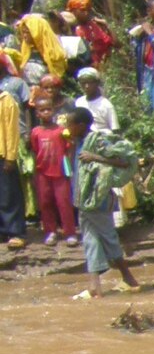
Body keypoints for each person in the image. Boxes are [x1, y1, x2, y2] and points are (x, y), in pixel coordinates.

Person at [72, 108, 140, 297]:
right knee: (90, 241)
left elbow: (123, 162)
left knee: (108, 239)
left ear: (81, 126)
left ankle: (128, 278)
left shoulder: (98, 141)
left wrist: (96, 157)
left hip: (98, 200)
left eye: (71, 125)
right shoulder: (79, 141)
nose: (68, 128)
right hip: (85, 202)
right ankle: (96, 288)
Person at [26, 93, 79, 246]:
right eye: (42, 110)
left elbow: (70, 148)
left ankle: (70, 232)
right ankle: (50, 231)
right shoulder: (35, 132)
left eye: (49, 109)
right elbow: (36, 151)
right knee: (45, 202)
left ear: (54, 111)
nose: (46, 113)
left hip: (60, 172)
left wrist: (68, 169)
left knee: (64, 202)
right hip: (43, 172)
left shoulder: (62, 130)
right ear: (37, 113)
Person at [0, 70, 25, 249]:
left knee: (9, 194)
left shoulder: (6, 100)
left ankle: (15, 231)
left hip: (3, 154)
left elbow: (11, 130)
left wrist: (10, 157)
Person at [128, 0, 154, 108]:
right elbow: (134, 50)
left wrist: (150, 33)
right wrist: (137, 36)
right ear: (149, 11)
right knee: (146, 105)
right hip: (145, 71)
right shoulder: (144, 29)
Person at [67, 0, 117, 75]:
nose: (86, 13)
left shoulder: (96, 25)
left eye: (88, 10)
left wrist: (107, 25)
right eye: (82, 10)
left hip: (104, 70)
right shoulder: (70, 29)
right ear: (74, 11)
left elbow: (115, 43)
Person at [73, 67, 119, 133]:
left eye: (90, 82)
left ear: (97, 83)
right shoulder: (79, 102)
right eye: (83, 83)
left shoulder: (106, 105)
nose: (87, 86)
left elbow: (115, 129)